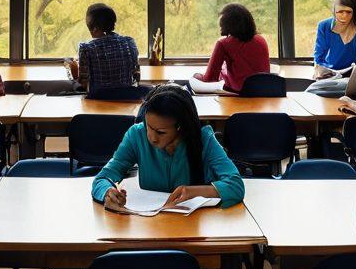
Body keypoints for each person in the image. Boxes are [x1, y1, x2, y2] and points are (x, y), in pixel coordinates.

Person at [92, 83, 244, 209]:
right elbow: (103, 178)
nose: (151, 137)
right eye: (148, 127)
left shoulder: (203, 139)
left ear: (181, 127)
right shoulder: (136, 135)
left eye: (160, 132)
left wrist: (195, 192)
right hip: (150, 222)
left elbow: (235, 185)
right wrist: (107, 192)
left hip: (193, 224)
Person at [194, 2, 270, 94]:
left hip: (237, 95)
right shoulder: (261, 40)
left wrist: (197, 76)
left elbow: (210, 79)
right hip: (263, 95)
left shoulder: (223, 44)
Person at [69, 2, 140, 96]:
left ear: (94, 28)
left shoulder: (86, 48)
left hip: (97, 102)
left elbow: (83, 85)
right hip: (126, 100)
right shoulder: (129, 43)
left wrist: (72, 72)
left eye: (89, 27)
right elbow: (136, 77)